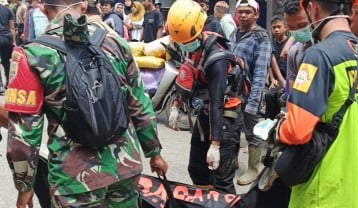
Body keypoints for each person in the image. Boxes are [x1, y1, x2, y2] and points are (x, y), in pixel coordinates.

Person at [5, 0, 168, 207]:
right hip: (126, 169)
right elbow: (140, 104)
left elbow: (24, 134)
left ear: (43, 8)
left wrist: (24, 186)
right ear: (83, 6)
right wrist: (154, 153)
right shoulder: (116, 42)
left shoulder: (32, 55)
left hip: (74, 180)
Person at [276, 0, 358, 207]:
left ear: (313, 7)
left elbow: (296, 131)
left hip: (324, 191)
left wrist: (278, 128)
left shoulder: (319, 56)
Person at [166, 0, 243, 194]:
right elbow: (189, 75)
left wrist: (215, 144)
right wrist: (176, 105)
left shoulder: (218, 58)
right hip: (204, 114)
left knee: (221, 180)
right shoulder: (191, 44)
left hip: (224, 119)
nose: (184, 45)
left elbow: (217, 101)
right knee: (197, 169)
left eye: (186, 41)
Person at [228, 0, 272, 186]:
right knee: (232, 127)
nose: (243, 15)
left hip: (248, 93)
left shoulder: (261, 37)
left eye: (248, 12)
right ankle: (233, 161)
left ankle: (253, 169)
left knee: (251, 131)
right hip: (232, 92)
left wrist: (254, 102)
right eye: (240, 12)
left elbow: (261, 72)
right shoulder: (234, 33)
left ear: (256, 14)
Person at [284, 0, 313, 92]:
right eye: (291, 28)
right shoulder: (293, 52)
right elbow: (292, 91)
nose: (297, 31)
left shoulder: (327, 49)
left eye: (302, 25)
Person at [264, 15, 289, 119]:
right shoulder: (271, 44)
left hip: (288, 79)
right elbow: (270, 62)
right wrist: (272, 79)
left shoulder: (290, 44)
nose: (276, 30)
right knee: (269, 96)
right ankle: (270, 123)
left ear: (286, 27)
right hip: (276, 80)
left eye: (279, 27)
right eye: (274, 28)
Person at [0, 2, 16, 92]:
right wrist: (13, 41)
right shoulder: (8, 10)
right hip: (7, 37)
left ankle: (0, 86)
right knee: (6, 62)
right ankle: (9, 83)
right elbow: (12, 28)